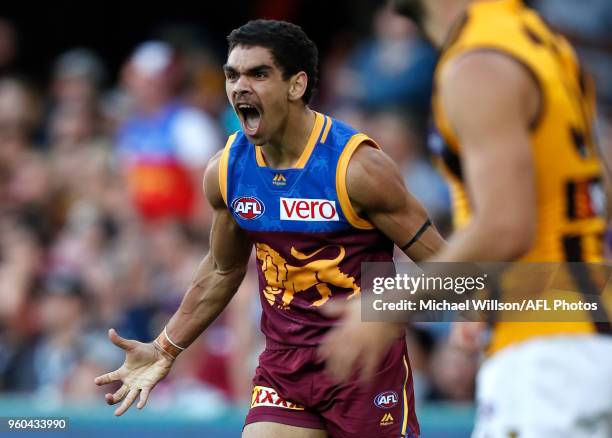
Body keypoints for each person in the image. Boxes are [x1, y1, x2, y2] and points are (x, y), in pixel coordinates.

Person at [95, 20, 445, 438]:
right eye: (232, 75)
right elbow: (223, 270)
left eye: (258, 74)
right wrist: (165, 347)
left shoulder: (356, 168)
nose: (240, 86)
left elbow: (448, 265)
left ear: (296, 86)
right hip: (284, 369)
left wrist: (519, 311)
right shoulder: (226, 170)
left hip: (363, 369)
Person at [320, 0, 612, 437]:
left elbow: (506, 227)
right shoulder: (535, 38)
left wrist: (389, 306)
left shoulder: (479, 62)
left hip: (546, 358)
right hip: (567, 337)